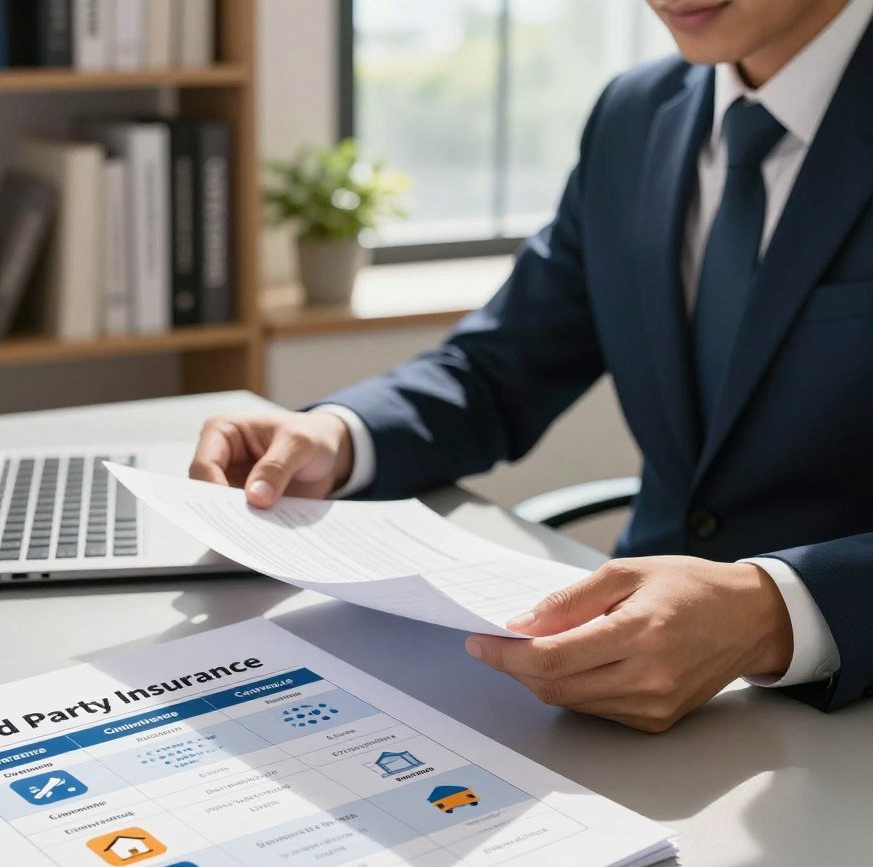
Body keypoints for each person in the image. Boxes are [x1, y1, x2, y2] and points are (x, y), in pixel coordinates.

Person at [190, 0, 873, 732]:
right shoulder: (636, 114)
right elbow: (501, 362)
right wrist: (339, 435)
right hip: (617, 689)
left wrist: (773, 611)